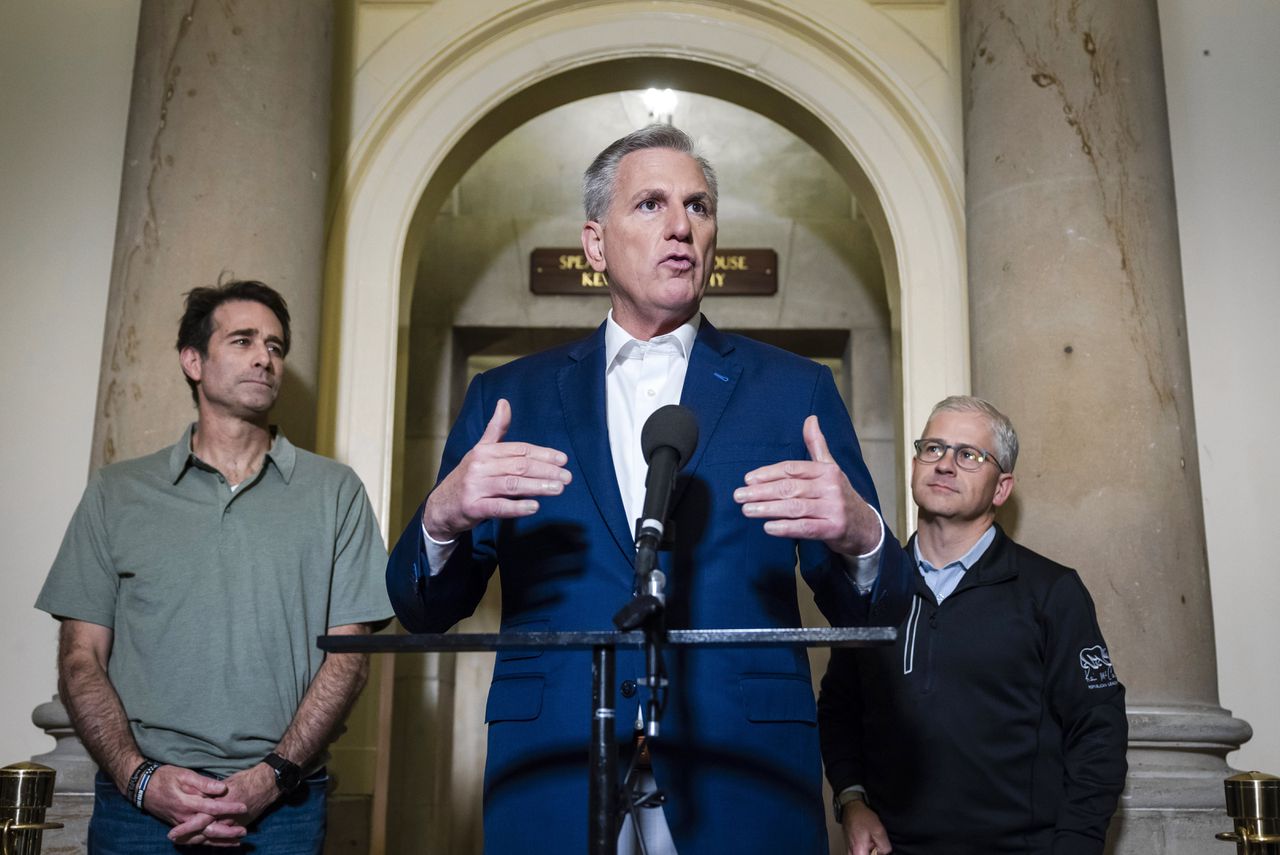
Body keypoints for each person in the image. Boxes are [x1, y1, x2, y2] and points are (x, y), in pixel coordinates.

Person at [386, 124, 912, 854]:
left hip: (739, 768)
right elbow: (424, 609)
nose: (681, 227)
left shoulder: (796, 390)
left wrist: (863, 539)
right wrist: (440, 520)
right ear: (595, 243)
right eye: (651, 205)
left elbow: (873, 612)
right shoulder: (509, 398)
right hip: (557, 760)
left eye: (698, 207)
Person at [36, 280, 393, 853]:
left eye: (275, 347)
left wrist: (269, 778)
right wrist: (141, 780)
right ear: (193, 360)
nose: (264, 358)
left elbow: (349, 659)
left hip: (286, 808)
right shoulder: (117, 492)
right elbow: (82, 659)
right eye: (244, 340)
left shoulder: (335, 492)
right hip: (138, 811)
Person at [817, 396, 1128, 855]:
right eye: (933, 448)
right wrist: (852, 801)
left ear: (1001, 489)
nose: (945, 464)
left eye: (968, 455)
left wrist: (1077, 845)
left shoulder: (1051, 592)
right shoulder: (871, 590)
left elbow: (1098, 730)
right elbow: (839, 711)